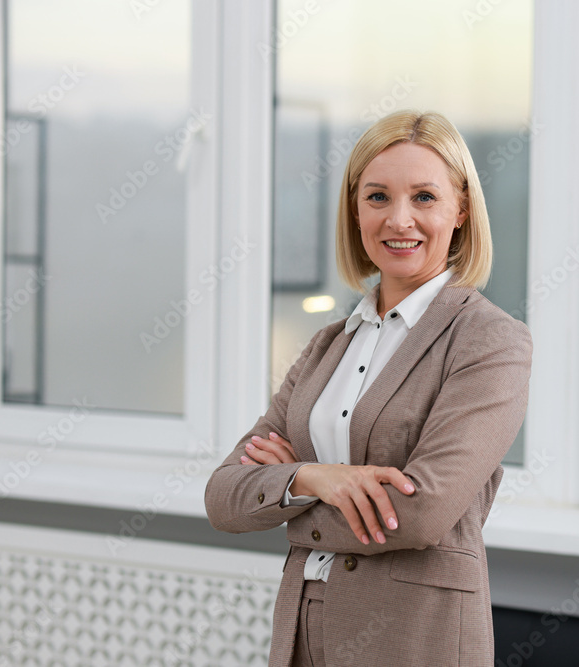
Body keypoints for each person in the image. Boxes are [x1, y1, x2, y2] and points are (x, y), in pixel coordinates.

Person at [204, 109, 533, 666]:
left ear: (461, 211)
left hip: (413, 638)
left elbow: (422, 513)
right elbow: (223, 496)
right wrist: (316, 477)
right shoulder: (328, 345)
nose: (399, 220)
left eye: (424, 197)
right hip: (304, 628)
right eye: (377, 197)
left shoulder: (490, 341)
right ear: (355, 211)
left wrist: (287, 494)